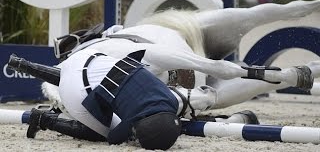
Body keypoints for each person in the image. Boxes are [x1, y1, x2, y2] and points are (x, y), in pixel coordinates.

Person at [19, 48, 259, 150]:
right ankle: (44, 120)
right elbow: (114, 136)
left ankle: (26, 66)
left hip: (96, 57)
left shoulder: (170, 100)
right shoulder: (133, 120)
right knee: (99, 135)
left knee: (94, 81)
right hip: (77, 85)